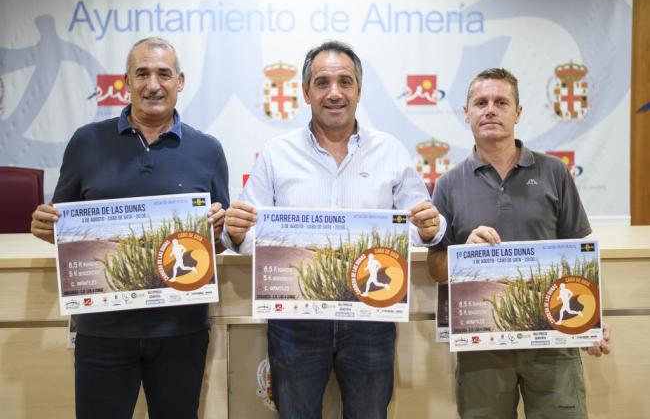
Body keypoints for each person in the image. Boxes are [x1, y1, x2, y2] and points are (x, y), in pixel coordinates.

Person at [223, 40, 446, 419]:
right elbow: (248, 238)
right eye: (322, 82)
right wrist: (239, 232)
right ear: (306, 91)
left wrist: (429, 228)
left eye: (345, 81)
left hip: (371, 320)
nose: (334, 93)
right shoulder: (277, 153)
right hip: (295, 321)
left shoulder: (390, 151)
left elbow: (415, 227)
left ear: (359, 90)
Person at [30, 37, 229, 419]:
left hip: (180, 330)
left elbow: (219, 241)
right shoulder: (87, 142)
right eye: (142, 74)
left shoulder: (208, 149)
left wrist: (220, 232)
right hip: (101, 329)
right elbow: (60, 220)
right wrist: (46, 224)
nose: (153, 84)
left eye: (163, 74)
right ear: (126, 82)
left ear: (180, 81)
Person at [427, 68, 611, 418]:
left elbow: (579, 258)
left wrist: (593, 320)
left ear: (518, 112)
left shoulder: (554, 172)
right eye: (481, 103)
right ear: (466, 113)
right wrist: (463, 253)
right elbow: (436, 270)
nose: (490, 110)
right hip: (482, 344)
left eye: (501, 102)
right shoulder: (448, 184)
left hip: (553, 338)